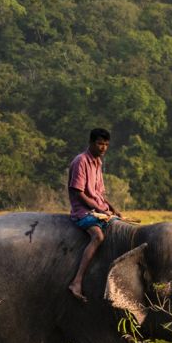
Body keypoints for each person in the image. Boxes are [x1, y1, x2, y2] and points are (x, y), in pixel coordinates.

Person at [67, 127, 123, 301]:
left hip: (99, 210)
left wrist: (112, 209)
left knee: (120, 227)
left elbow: (99, 193)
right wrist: (99, 209)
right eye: (100, 144)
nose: (103, 148)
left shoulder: (98, 162)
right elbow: (79, 193)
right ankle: (77, 281)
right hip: (83, 211)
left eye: (106, 144)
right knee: (98, 236)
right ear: (91, 143)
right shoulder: (81, 161)